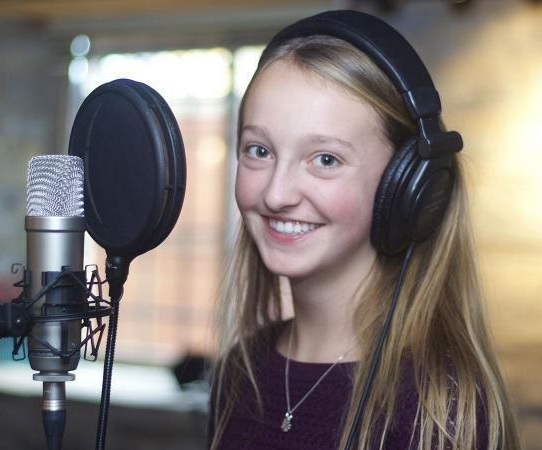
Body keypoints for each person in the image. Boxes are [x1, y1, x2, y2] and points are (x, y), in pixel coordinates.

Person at [208, 10, 521, 450]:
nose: (276, 194)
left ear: (408, 187)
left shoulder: (440, 409)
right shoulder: (238, 372)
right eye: (258, 150)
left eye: (325, 159)